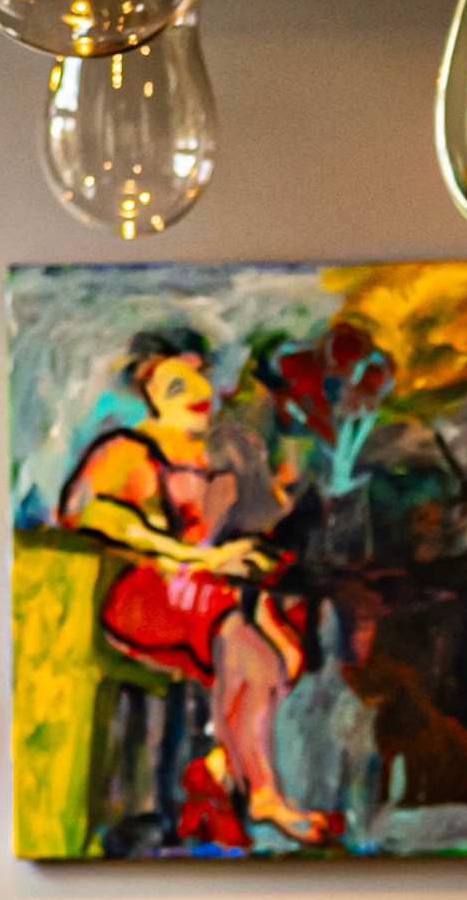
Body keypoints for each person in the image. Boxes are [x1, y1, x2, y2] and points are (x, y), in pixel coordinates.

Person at [52, 330, 327, 848]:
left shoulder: (232, 446)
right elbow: (86, 511)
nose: (197, 390)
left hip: (217, 588)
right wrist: (192, 556)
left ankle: (217, 767)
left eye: (200, 375)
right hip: (153, 591)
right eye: (176, 385)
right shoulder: (126, 451)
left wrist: (270, 504)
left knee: (281, 643)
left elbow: (259, 521)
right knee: (244, 637)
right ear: (149, 396)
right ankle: (263, 793)